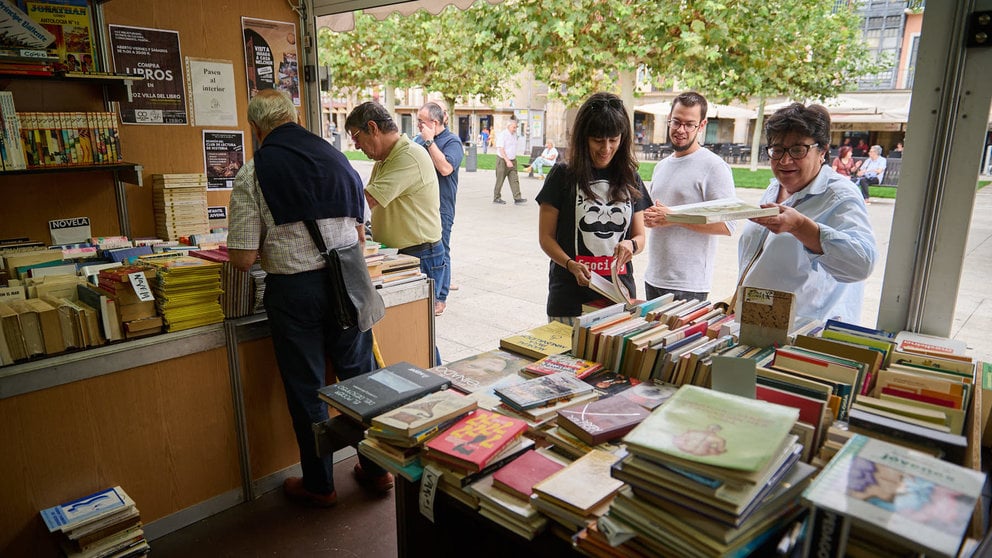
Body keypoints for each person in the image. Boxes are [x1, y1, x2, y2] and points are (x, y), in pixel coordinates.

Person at [227, 90, 392, 508]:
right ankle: (376, 469)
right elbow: (358, 233)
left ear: (257, 128)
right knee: (360, 379)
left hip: (294, 293)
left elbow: (244, 259)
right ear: (295, 116)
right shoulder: (338, 159)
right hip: (347, 283)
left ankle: (320, 484)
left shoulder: (253, 173)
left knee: (307, 387)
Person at [737, 103, 877, 323]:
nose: (784, 160)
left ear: (822, 151)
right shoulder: (775, 188)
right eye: (777, 150)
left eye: (797, 150)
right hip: (760, 324)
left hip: (803, 332)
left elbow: (862, 264)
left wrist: (801, 227)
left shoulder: (839, 195)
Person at [536, 92, 650, 323]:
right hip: (569, 301)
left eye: (613, 140)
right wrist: (570, 264)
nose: (606, 148)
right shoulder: (562, 175)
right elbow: (546, 238)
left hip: (619, 298)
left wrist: (631, 244)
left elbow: (640, 236)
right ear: (584, 137)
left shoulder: (630, 177)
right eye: (598, 140)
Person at [345, 101, 444, 360]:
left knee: (419, 332)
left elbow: (366, 200)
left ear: (373, 128)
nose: (356, 146)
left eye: (356, 137)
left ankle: (440, 386)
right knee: (405, 329)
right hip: (397, 253)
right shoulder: (385, 159)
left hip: (419, 253)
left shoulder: (407, 156)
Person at [642, 91, 735, 302]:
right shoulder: (661, 166)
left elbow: (728, 225)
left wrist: (673, 217)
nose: (680, 130)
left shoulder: (714, 167)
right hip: (654, 277)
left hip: (689, 284)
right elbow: (659, 215)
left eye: (689, 124)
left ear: (702, 126)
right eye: (676, 122)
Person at [414, 101, 463, 316]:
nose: (418, 127)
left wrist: (430, 142)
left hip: (441, 206)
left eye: (421, 122)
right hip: (420, 207)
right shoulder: (418, 140)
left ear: (434, 122)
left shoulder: (452, 142)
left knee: (441, 248)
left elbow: (445, 168)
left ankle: (440, 297)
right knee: (425, 250)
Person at [493, 118, 526, 205]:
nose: (515, 129)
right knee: (500, 180)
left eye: (516, 127)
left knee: (514, 179)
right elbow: (501, 149)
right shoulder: (503, 135)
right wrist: (507, 160)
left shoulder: (514, 135)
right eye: (514, 127)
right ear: (508, 126)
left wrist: (512, 159)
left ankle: (517, 198)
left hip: (513, 161)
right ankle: (496, 198)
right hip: (503, 160)